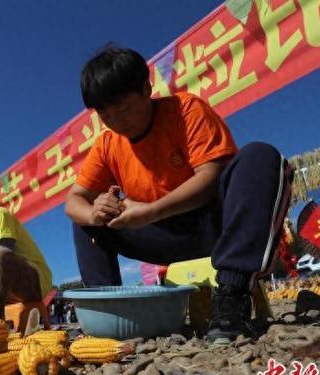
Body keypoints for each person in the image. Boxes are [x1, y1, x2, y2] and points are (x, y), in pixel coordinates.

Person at [64, 46, 293, 344]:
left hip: (214, 226)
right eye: (106, 115)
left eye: (123, 110)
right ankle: (107, 315)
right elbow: (73, 200)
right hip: (161, 238)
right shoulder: (108, 144)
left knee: (260, 157)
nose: (117, 122)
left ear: (147, 88)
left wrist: (150, 210)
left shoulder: (185, 110)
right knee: (86, 220)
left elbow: (210, 178)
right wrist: (95, 212)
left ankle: (232, 297)